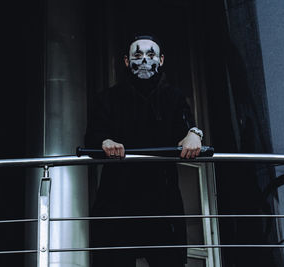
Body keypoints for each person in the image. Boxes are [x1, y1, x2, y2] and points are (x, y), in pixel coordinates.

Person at [85, 34, 203, 267]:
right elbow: (92, 135)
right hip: (118, 201)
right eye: (137, 56)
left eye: (150, 55)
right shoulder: (107, 98)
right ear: (127, 62)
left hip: (161, 200)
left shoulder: (173, 97)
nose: (144, 61)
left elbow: (187, 125)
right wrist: (104, 142)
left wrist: (194, 134)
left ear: (161, 60)